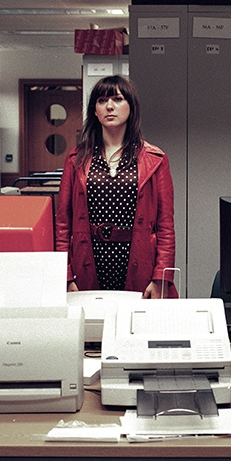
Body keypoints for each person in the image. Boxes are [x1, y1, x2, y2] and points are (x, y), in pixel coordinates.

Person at [56, 75, 177, 298]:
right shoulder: (76, 159)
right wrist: (65, 276)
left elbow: (165, 226)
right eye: (102, 101)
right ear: (94, 111)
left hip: (138, 261)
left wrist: (161, 277)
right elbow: (63, 224)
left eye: (118, 99)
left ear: (131, 107)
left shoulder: (155, 159)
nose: (109, 106)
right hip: (88, 261)